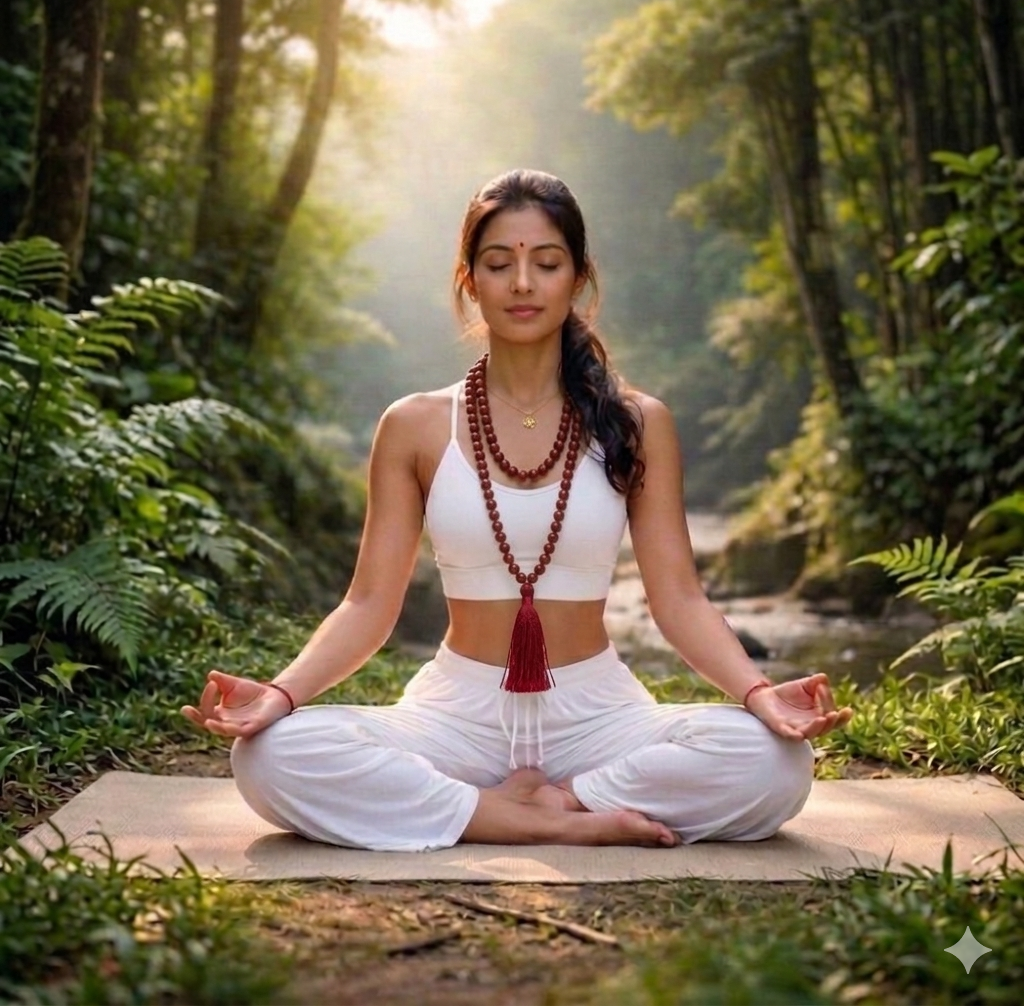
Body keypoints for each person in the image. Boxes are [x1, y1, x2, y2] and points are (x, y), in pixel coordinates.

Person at [182, 169, 854, 852]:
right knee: (269, 755)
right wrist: (280, 694)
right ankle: (540, 820)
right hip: (455, 717)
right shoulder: (414, 425)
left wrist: (758, 693)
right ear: (469, 279)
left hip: (597, 717)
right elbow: (368, 604)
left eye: (547, 263)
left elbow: (679, 599)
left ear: (578, 277)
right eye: (500, 264)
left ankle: (555, 800)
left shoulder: (636, 422)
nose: (523, 283)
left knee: (776, 762)